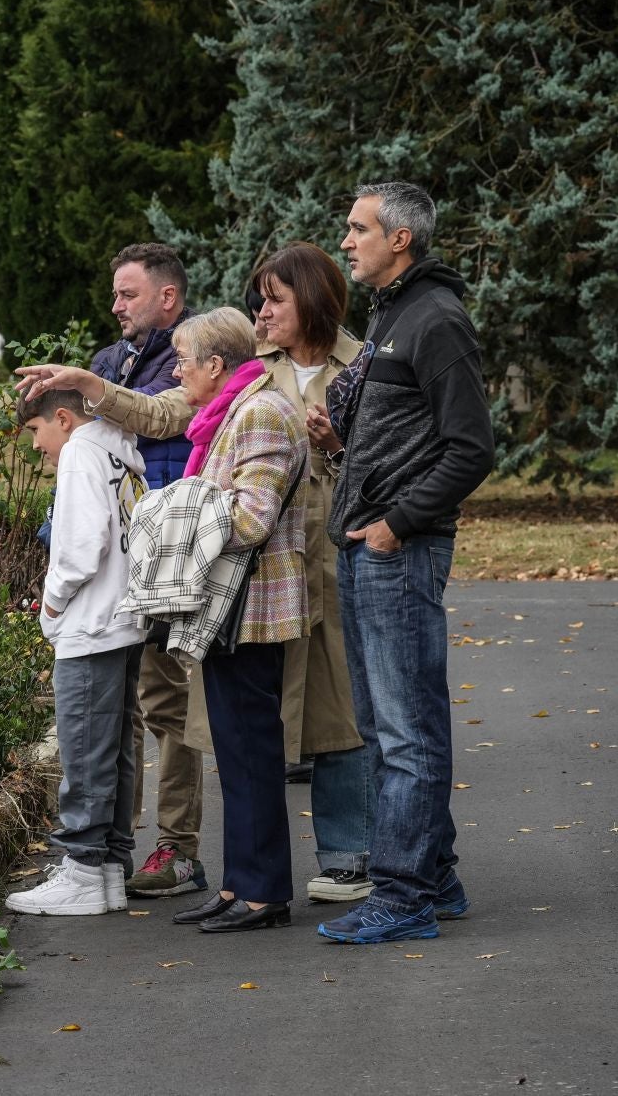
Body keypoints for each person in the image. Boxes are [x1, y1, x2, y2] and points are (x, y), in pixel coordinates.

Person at [15, 307, 308, 933]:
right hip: (225, 607)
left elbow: (251, 518)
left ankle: (262, 892)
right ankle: (241, 884)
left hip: (251, 608)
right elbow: (153, 415)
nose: (175, 373)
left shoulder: (261, 411)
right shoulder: (223, 410)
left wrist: (170, 511)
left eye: (183, 362)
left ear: (216, 366)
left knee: (251, 750)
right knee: (232, 747)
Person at [310, 181, 493, 944]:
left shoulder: (437, 320)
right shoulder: (392, 317)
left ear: (401, 240)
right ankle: (436, 875)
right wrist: (341, 449)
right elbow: (404, 442)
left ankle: (404, 895)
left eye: (358, 230)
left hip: (398, 550)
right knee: (388, 725)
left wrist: (396, 525)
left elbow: (471, 449)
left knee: (407, 728)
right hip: (365, 546)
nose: (347, 241)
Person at [249, 243, 372, 904]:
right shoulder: (251, 368)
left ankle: (348, 855)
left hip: (338, 559)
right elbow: (187, 417)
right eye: (260, 299)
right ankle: (256, 873)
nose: (263, 312)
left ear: (313, 301)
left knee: (338, 709)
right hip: (265, 567)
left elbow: (388, 464)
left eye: (275, 299)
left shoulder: (365, 366)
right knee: (259, 715)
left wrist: (338, 447)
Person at [4, 387, 148, 917]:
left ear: (62, 418)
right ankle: (109, 867)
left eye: (37, 433)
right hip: (123, 618)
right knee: (114, 748)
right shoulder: (117, 449)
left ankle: (83, 871)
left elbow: (83, 545)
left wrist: (53, 603)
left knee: (84, 747)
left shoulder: (81, 455)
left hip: (89, 624)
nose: (39, 448)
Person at [90, 243, 204, 900]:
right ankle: (114, 844)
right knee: (119, 703)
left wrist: (92, 393)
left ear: (167, 297)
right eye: (115, 294)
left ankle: (178, 848)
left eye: (128, 294)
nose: (116, 306)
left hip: (164, 556)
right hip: (112, 560)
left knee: (167, 703)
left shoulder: (193, 357)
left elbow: (159, 417)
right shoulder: (112, 360)